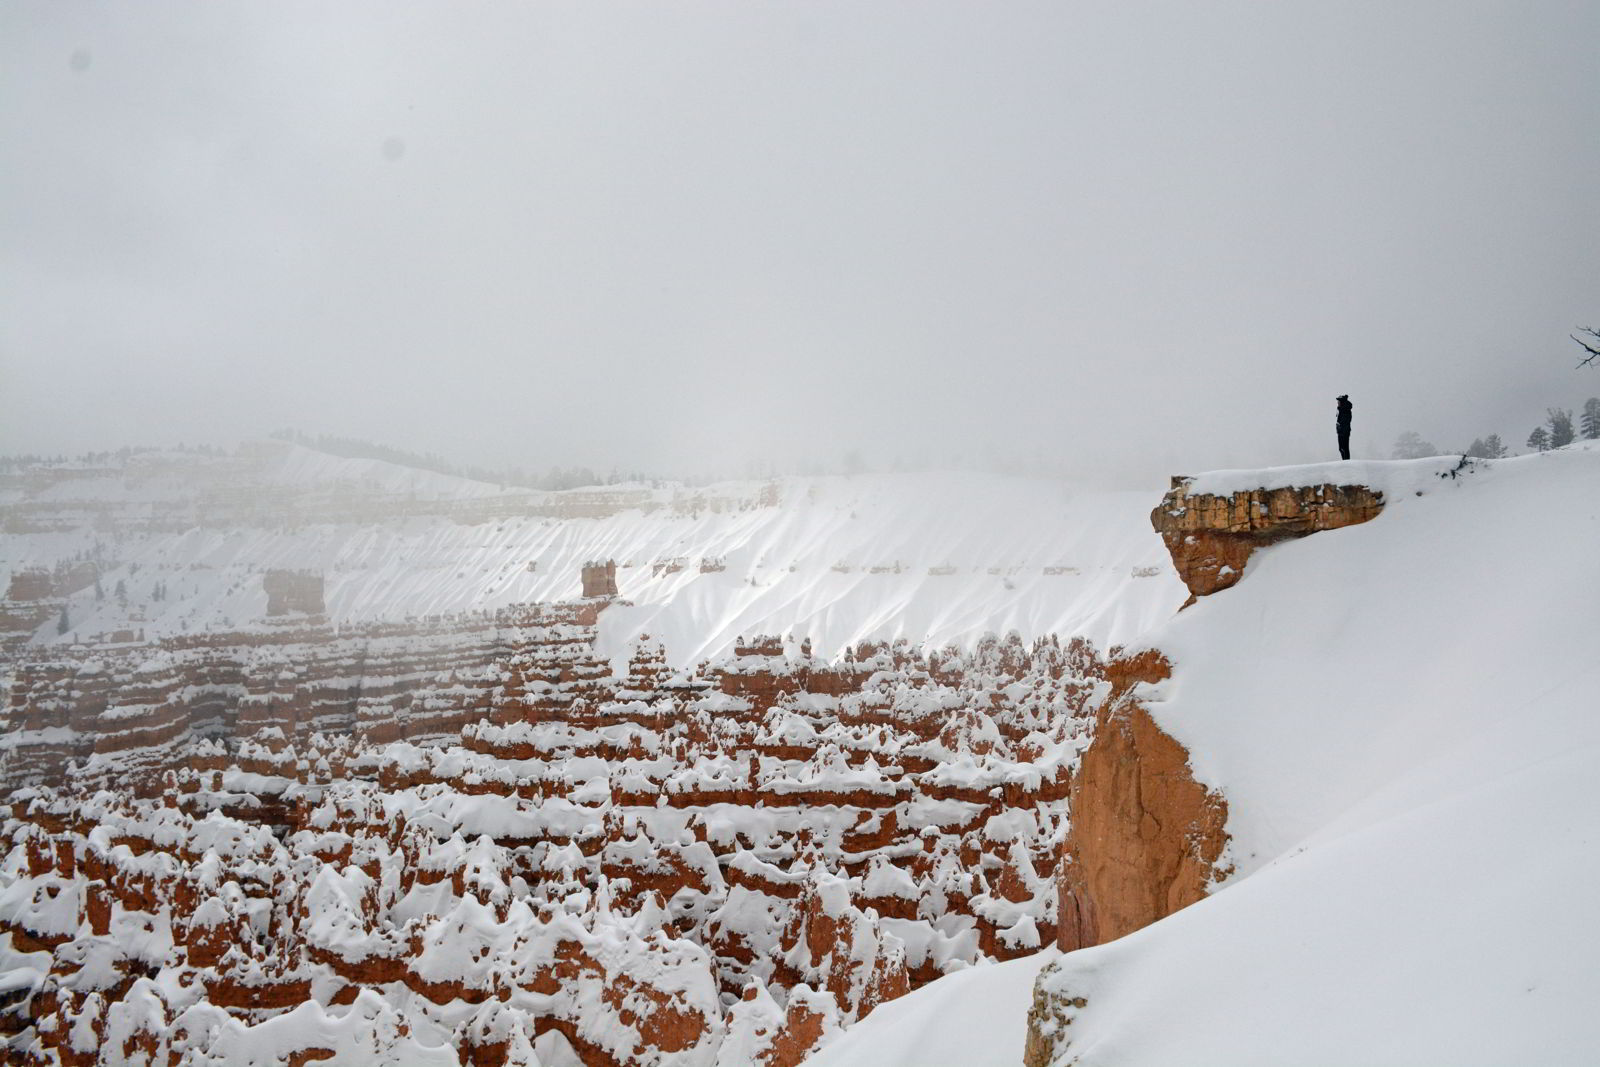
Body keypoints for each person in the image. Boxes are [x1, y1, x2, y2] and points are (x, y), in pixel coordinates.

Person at [1336, 395, 1352, 460]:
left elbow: (1345, 421)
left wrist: (1340, 427)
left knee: (1344, 448)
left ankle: (1346, 462)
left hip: (1344, 432)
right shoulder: (1341, 410)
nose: (1337, 403)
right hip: (1340, 432)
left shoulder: (1345, 410)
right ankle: (1344, 461)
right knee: (1341, 448)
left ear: (1342, 402)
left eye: (1339, 401)